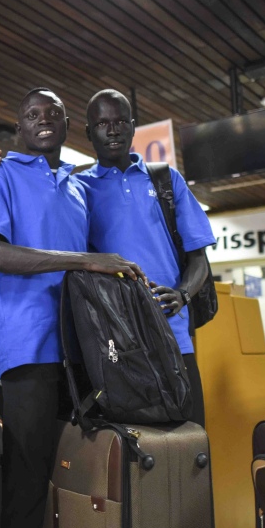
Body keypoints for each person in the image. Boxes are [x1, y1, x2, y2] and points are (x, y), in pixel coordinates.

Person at [0, 88, 142, 528]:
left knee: (77, 479)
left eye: (54, 114)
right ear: (19, 127)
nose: (43, 121)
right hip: (27, 350)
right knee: (26, 485)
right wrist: (86, 259)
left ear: (68, 126)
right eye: (32, 115)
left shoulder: (78, 184)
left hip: (82, 351)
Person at [78, 88, 215, 427]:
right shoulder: (78, 187)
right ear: (88, 132)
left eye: (121, 121)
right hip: (114, 339)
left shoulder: (166, 179)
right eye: (102, 123)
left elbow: (199, 259)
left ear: (133, 127)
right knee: (130, 441)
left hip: (173, 334)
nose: (112, 130)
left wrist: (183, 294)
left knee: (189, 434)